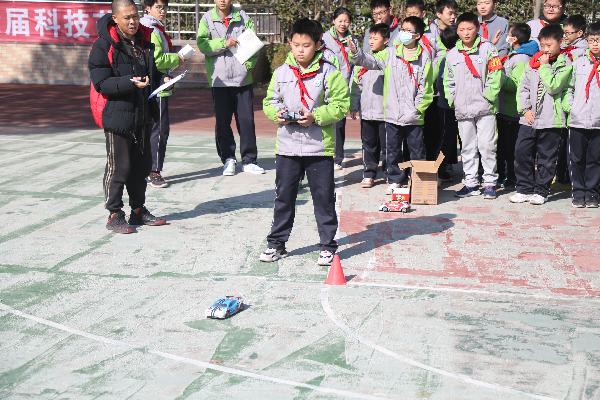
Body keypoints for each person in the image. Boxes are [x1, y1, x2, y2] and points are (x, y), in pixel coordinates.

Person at [260, 18, 350, 266]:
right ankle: (276, 244)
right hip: (287, 147)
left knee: (323, 198)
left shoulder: (329, 72)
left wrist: (316, 116)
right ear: (290, 43)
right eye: (296, 44)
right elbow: (270, 101)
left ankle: (327, 246)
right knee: (284, 197)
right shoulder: (281, 72)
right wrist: (276, 113)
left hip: (318, 148)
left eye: (307, 45)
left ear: (318, 44)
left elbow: (341, 105)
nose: (300, 50)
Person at [89, 0, 169, 233]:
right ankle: (114, 213)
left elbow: (151, 71)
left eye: (135, 16)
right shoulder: (104, 45)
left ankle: (137, 210)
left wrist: (161, 79)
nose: (133, 21)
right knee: (119, 167)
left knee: (141, 167)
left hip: (143, 113)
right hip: (118, 116)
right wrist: (129, 83)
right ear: (115, 18)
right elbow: (101, 82)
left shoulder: (145, 40)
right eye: (127, 18)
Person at [350, 17, 434, 194]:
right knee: (393, 150)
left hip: (414, 115)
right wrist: (357, 53)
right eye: (402, 29)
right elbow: (369, 62)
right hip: (392, 113)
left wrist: (417, 109)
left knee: (417, 150)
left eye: (407, 31)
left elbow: (426, 87)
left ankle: (420, 183)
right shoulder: (390, 53)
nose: (402, 33)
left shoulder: (425, 56)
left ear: (417, 35)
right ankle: (395, 179)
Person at [196, 0, 264, 176]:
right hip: (219, 81)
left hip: (242, 80)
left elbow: (254, 45)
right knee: (223, 122)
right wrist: (223, 43)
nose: (223, 0)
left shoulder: (243, 16)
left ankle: (249, 160)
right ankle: (228, 159)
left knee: (247, 121)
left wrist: (247, 65)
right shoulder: (206, 19)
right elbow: (202, 44)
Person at [510, 24, 573, 205]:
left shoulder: (565, 64)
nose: (545, 50)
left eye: (549, 45)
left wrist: (544, 66)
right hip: (529, 118)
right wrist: (525, 109)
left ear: (561, 42)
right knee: (522, 152)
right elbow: (523, 87)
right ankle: (524, 188)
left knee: (546, 157)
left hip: (551, 120)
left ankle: (541, 190)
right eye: (542, 45)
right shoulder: (533, 62)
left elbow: (553, 86)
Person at [444, 12, 503, 199]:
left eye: (470, 29)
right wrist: (452, 98)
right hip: (463, 109)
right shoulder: (453, 54)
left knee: (487, 146)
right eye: (461, 30)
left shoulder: (488, 48)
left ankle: (490, 183)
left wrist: (489, 96)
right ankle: (470, 183)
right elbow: (449, 80)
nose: (466, 33)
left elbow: (496, 73)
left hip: (485, 108)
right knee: (468, 147)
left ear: (477, 28)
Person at [140, 0, 185, 188]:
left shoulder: (151, 27)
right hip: (156, 87)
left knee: (150, 129)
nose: (163, 11)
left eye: (165, 7)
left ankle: (146, 170)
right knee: (159, 130)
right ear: (148, 8)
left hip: (152, 84)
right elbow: (157, 60)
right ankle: (153, 171)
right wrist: (178, 58)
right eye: (158, 7)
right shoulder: (151, 29)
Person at [497, 23, 539, 190]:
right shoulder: (514, 55)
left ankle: (511, 177)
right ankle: (506, 175)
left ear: (514, 39)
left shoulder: (521, 59)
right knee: (504, 146)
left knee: (510, 148)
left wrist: (497, 75)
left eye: (508, 34)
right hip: (505, 109)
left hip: (512, 111)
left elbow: (517, 84)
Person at [563, 21, 600, 208]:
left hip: (598, 122)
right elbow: (568, 88)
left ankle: (592, 193)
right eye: (592, 40)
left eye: (599, 41)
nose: (595, 44)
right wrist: (571, 107)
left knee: (595, 158)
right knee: (576, 158)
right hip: (578, 120)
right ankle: (578, 192)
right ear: (586, 40)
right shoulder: (578, 63)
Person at [349, 23, 389, 188]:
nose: (371, 41)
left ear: (386, 40)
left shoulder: (390, 59)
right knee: (369, 144)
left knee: (388, 146)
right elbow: (356, 86)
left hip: (386, 113)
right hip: (366, 113)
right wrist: (354, 105)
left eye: (376, 38)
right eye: (370, 38)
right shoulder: (362, 60)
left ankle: (388, 174)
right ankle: (369, 173)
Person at [552, 14, 589, 190]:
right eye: (563, 33)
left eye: (568, 33)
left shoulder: (580, 52)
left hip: (573, 103)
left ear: (580, 33)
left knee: (569, 144)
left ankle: (567, 177)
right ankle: (562, 174)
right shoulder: (567, 48)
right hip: (563, 98)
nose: (565, 36)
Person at [322, 7, 360, 170]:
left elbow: (355, 67)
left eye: (346, 21)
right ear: (333, 21)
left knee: (338, 124)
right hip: (325, 86)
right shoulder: (324, 38)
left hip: (342, 88)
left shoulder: (353, 40)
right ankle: (322, 155)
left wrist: (352, 97)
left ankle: (337, 158)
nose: (343, 24)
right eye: (340, 21)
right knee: (322, 122)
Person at [435, 25, 460, 182]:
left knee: (450, 139)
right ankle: (438, 170)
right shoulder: (448, 58)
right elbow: (440, 83)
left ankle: (444, 168)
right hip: (447, 106)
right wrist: (452, 99)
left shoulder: (452, 55)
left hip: (455, 106)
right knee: (445, 139)